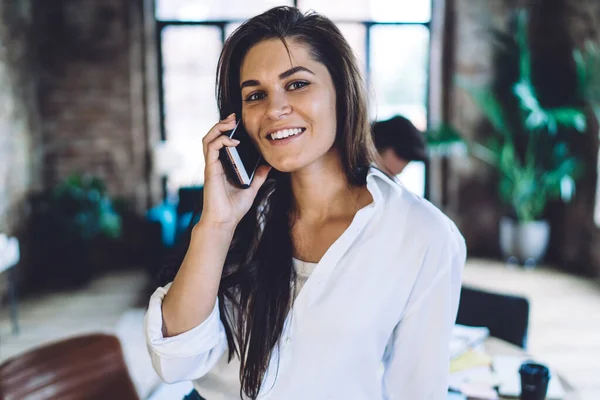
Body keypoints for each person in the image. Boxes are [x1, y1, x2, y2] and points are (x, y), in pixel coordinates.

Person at [144, 6, 466, 400]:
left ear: (341, 92)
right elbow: (177, 361)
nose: (274, 109)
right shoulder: (239, 218)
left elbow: (415, 391)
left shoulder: (422, 235)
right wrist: (217, 224)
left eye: (296, 84)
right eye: (255, 95)